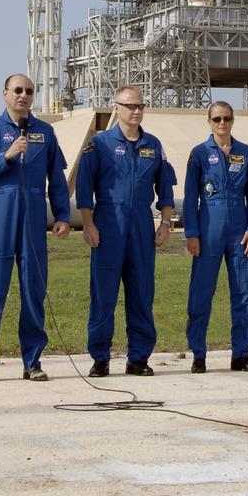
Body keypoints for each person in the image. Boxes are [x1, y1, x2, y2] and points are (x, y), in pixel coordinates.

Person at [0, 73, 70, 383]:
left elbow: (58, 179)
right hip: (1, 218)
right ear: (5, 94)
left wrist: (63, 215)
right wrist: (6, 157)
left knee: (33, 291)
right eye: (17, 90)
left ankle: (33, 361)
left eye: (28, 91)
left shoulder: (45, 132)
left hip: (33, 221)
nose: (23, 95)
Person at [75, 86, 175, 377]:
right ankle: (100, 358)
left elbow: (165, 189)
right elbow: (84, 189)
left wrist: (166, 223)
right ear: (116, 107)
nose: (136, 111)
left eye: (140, 106)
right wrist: (89, 224)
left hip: (142, 226)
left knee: (141, 293)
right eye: (130, 106)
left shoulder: (153, 145)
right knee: (103, 295)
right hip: (108, 224)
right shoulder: (100, 144)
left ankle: (138, 358)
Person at [183, 102, 248, 372]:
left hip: (239, 231)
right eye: (217, 118)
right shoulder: (199, 154)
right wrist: (192, 233)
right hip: (209, 229)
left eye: (227, 118)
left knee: (242, 292)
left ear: (233, 120)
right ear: (208, 121)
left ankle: (240, 354)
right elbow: (191, 199)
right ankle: (198, 354)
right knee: (201, 292)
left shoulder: (245, 153)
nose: (222, 123)